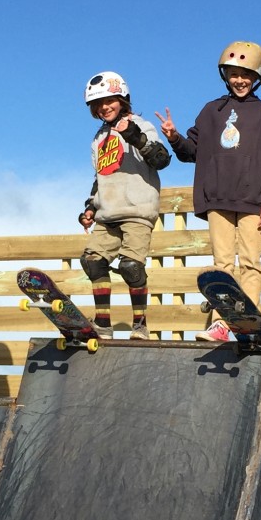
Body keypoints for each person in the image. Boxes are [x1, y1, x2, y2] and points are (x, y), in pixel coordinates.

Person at [156, 40, 261, 342]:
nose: (240, 80)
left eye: (246, 75)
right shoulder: (210, 111)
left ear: (258, 77)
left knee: (252, 262)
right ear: (224, 75)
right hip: (217, 197)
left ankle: (251, 319)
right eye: (233, 74)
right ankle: (221, 323)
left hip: (253, 199)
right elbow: (191, 151)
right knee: (222, 264)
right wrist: (174, 136)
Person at [76, 71, 171, 339]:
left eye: (110, 101)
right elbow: (100, 177)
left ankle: (140, 324)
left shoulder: (140, 124)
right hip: (107, 213)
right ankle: (102, 324)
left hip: (137, 210)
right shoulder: (99, 138)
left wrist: (133, 135)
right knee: (92, 261)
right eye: (98, 104)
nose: (104, 107)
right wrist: (90, 208)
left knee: (131, 266)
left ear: (123, 99)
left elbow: (162, 159)